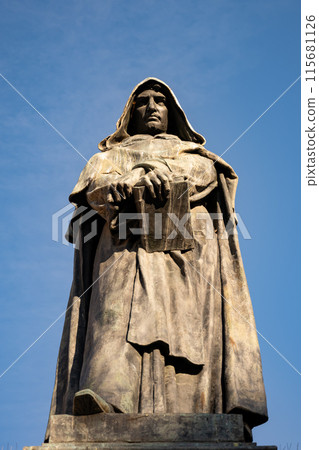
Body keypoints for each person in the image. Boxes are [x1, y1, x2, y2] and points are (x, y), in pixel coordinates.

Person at [45, 78, 268, 442]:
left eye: (160, 101)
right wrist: (112, 185)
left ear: (172, 112)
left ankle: (191, 408)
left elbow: (209, 176)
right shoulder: (106, 158)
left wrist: (162, 172)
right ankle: (105, 396)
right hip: (122, 249)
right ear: (130, 114)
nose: (151, 107)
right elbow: (88, 192)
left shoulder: (191, 155)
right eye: (143, 102)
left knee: (183, 329)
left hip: (183, 257)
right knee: (112, 315)